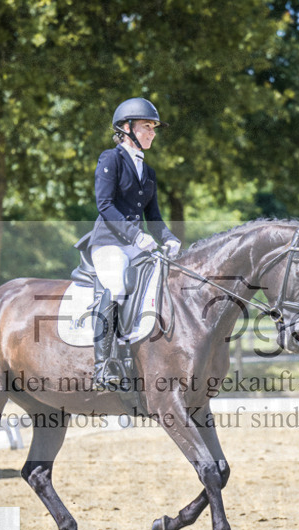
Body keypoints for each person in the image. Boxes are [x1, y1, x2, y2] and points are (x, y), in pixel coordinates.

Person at [86, 97, 181, 390]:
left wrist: (170, 239)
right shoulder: (110, 159)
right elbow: (105, 205)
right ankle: (103, 366)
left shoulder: (148, 172)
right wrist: (136, 236)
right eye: (146, 127)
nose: (152, 133)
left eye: (153, 128)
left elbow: (154, 217)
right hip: (109, 243)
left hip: (136, 245)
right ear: (126, 128)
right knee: (116, 286)